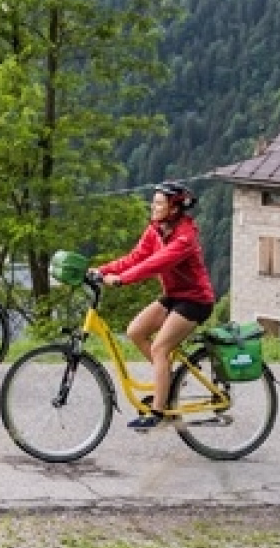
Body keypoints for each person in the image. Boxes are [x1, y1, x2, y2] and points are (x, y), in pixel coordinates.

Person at [91, 180, 216, 430]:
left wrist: (122, 280)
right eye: (154, 201)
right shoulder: (156, 230)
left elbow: (156, 263)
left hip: (195, 300)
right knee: (135, 331)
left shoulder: (185, 237)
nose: (153, 206)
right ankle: (167, 380)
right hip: (174, 296)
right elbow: (137, 257)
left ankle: (158, 412)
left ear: (173, 208)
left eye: (159, 203)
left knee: (160, 348)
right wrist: (102, 270)